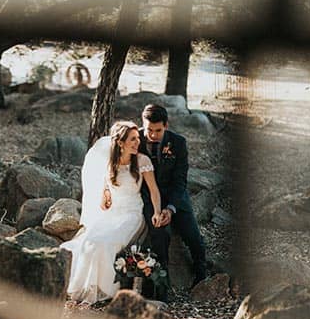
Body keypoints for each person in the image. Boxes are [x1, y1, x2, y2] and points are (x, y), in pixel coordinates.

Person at [61, 121, 163, 304]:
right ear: (120, 143)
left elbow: (154, 190)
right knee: (87, 242)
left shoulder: (142, 161)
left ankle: (104, 291)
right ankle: (81, 289)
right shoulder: (110, 163)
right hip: (112, 213)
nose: (137, 142)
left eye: (137, 138)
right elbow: (105, 190)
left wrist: (157, 212)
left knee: (105, 244)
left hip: (132, 214)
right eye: (132, 139)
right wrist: (106, 195)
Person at [139, 104, 207, 299]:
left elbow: (180, 181)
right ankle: (161, 285)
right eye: (149, 130)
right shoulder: (136, 140)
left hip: (176, 197)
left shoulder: (178, 143)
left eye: (158, 130)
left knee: (192, 235)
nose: (152, 135)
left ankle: (201, 274)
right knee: (160, 234)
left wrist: (170, 208)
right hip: (149, 196)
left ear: (166, 125)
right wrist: (156, 209)